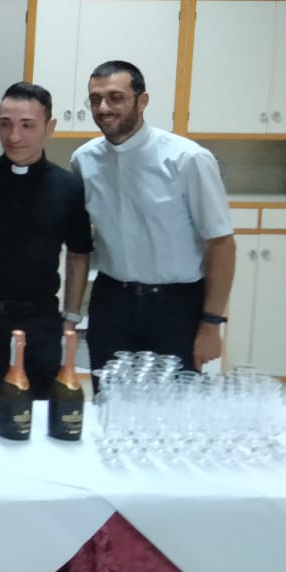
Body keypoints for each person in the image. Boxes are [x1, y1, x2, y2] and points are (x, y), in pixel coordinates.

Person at [71, 60, 235, 374]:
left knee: (172, 400)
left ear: (142, 101)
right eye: (95, 99)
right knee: (109, 396)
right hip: (111, 303)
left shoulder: (187, 159)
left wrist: (212, 324)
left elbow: (222, 244)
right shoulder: (84, 160)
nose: (103, 108)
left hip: (175, 306)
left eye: (115, 97)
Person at [0, 82, 92, 399]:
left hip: (40, 321)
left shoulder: (68, 187)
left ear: (50, 127)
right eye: (6, 124)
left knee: (39, 408)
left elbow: (79, 253)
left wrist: (71, 318)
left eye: (27, 125)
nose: (14, 136)